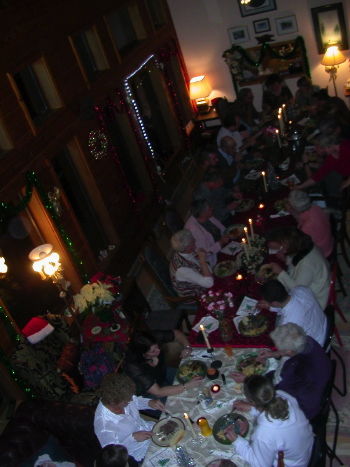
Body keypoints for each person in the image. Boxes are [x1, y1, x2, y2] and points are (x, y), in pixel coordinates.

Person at [224, 375, 313, 466]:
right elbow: (275, 414)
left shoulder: (264, 433)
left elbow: (260, 464)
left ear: (251, 401)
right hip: (306, 448)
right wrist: (251, 408)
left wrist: (236, 440)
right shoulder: (282, 395)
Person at [259, 323, 331, 420]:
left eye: (279, 348)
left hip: (301, 410)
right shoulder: (306, 340)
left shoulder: (298, 371)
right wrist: (274, 354)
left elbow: (278, 393)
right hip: (313, 388)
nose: (277, 349)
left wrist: (251, 381)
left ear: (289, 352)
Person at [94, 373, 165, 462]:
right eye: (126, 401)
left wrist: (149, 403)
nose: (131, 400)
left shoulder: (123, 397)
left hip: (149, 430)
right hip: (138, 453)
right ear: (113, 402)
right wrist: (132, 438)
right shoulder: (104, 425)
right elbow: (114, 454)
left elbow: (135, 401)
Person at [265, 227, 330, 308]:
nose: (282, 251)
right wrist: (286, 260)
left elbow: (297, 290)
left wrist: (280, 272)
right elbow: (294, 263)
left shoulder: (307, 264)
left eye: (283, 248)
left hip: (316, 300)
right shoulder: (303, 247)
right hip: (308, 286)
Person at [124, 330, 202, 397]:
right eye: (153, 351)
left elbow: (177, 334)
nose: (158, 350)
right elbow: (158, 392)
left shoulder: (152, 338)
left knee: (196, 377)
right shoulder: (133, 366)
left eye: (157, 346)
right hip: (150, 393)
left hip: (163, 372)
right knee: (185, 397)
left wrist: (187, 347)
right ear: (143, 354)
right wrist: (186, 386)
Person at [259, 280, 327, 346]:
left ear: (275, 303)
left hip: (317, 344)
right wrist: (270, 307)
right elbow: (291, 306)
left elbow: (289, 349)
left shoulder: (287, 323)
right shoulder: (300, 289)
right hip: (324, 325)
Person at [184, 199, 232, 267]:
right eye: (209, 208)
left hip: (224, 246)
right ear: (202, 213)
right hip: (214, 259)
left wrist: (227, 234)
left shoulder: (207, 216)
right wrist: (220, 243)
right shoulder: (194, 230)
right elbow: (204, 253)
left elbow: (221, 228)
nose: (212, 208)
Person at [287, 190, 333, 259]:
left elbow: (302, 246)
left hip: (322, 253)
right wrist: (292, 211)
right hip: (328, 242)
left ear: (295, 207)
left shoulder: (307, 227)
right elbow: (301, 218)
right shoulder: (315, 208)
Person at [169, 229, 213, 297]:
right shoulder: (182, 269)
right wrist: (202, 261)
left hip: (202, 281)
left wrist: (202, 260)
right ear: (187, 247)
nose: (195, 240)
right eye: (193, 240)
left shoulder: (184, 252)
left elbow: (207, 270)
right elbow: (209, 283)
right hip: (195, 296)